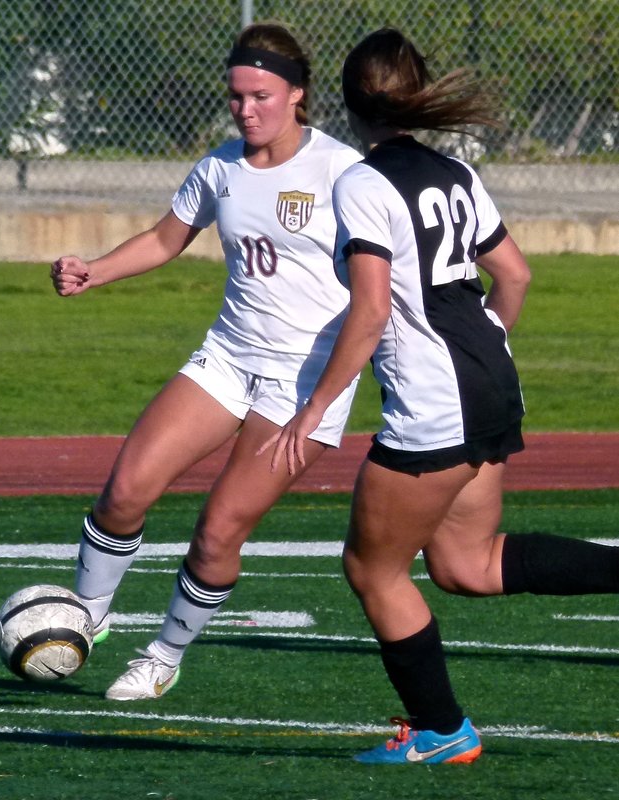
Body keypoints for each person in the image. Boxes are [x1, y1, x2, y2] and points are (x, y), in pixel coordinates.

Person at [261, 27, 619, 764]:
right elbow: (514, 275)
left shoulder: (361, 183)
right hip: (492, 381)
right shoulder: (455, 171)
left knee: (372, 569)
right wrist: (484, 346)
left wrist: (313, 408)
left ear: (345, 103)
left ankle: (441, 730)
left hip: (436, 402)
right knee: (465, 564)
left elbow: (369, 312)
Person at [50, 22, 362, 701]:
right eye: (236, 96)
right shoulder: (220, 167)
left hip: (304, 382)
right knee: (124, 490)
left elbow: (382, 283)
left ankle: (163, 656)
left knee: (217, 533)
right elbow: (165, 239)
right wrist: (94, 271)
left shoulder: (343, 172)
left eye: (261, 96)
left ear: (297, 94)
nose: (246, 110)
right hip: (225, 358)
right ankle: (86, 616)